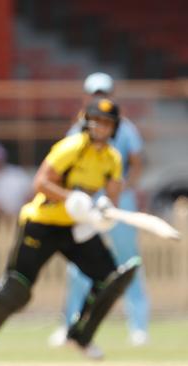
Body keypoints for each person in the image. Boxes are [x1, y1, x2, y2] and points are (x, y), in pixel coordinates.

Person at [0, 97, 141, 365]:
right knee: (17, 288)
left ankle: (79, 336)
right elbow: (40, 182)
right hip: (42, 224)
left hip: (74, 229)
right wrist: (71, 198)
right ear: (87, 122)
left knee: (110, 279)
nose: (101, 128)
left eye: (107, 123)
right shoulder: (71, 147)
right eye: (96, 121)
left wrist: (101, 215)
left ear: (115, 128)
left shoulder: (112, 158)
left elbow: (111, 201)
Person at [49, 72, 149, 347]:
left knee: (128, 262)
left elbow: (137, 162)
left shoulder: (125, 127)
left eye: (104, 93)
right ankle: (70, 326)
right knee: (79, 265)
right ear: (86, 96)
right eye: (95, 94)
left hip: (116, 199)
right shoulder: (78, 128)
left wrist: (123, 189)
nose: (100, 98)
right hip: (86, 201)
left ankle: (138, 326)